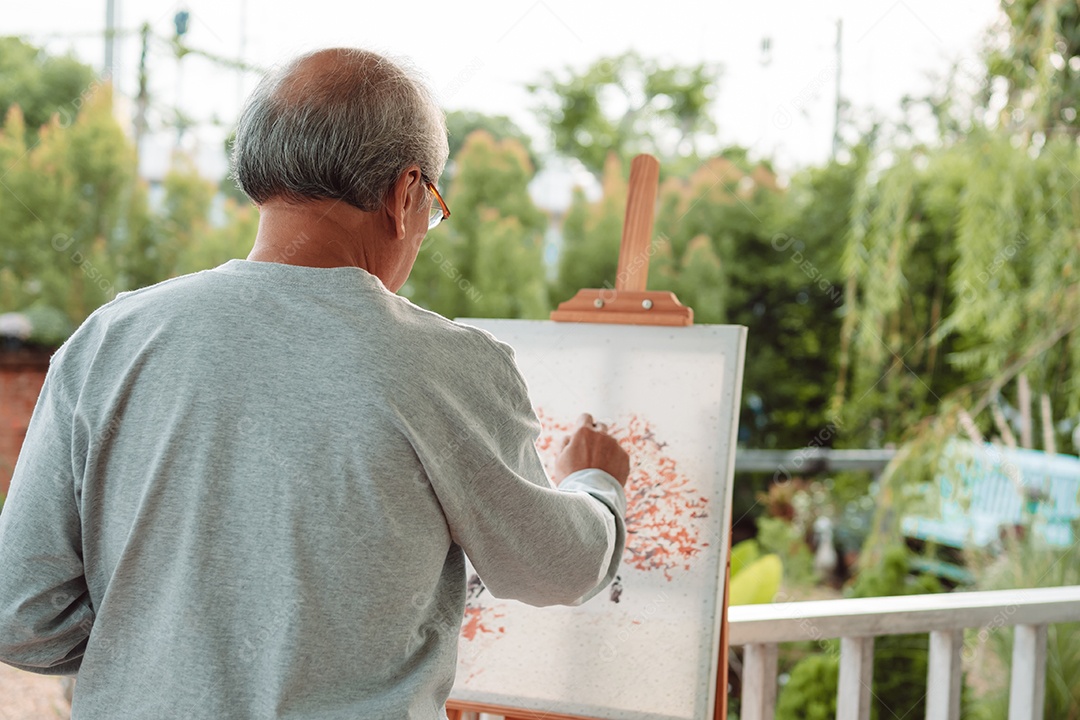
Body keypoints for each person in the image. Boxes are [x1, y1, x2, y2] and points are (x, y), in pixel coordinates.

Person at [0, 48, 629, 719]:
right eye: (431, 208)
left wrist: (161, 660)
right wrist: (597, 485)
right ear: (406, 192)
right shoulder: (446, 366)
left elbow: (21, 612)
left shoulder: (112, 339)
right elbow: (554, 566)